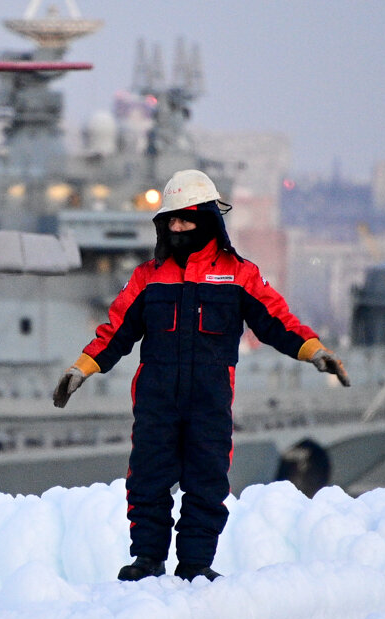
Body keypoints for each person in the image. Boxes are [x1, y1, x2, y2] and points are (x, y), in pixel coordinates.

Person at [52, 169, 350, 582]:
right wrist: (81, 369)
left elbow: (276, 321)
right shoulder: (147, 277)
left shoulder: (240, 275)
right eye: (170, 220)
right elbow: (115, 331)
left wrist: (315, 351)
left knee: (207, 485)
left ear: (208, 219)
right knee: (147, 483)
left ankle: (195, 566)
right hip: (156, 402)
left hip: (209, 403)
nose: (177, 228)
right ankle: (148, 560)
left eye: (185, 219)